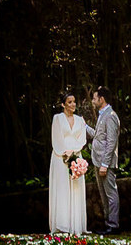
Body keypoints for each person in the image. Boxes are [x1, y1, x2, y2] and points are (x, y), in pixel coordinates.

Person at [49, 91, 88, 235]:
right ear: (63, 104)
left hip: (76, 155)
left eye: (74, 101)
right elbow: (56, 138)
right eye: (70, 102)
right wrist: (64, 152)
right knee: (62, 189)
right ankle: (62, 224)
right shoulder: (57, 118)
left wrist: (74, 151)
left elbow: (82, 139)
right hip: (60, 157)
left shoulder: (79, 120)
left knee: (76, 189)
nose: (73, 104)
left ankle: (76, 225)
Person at [86, 86, 120, 234]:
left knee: (111, 194)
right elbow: (98, 136)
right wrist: (84, 126)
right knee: (104, 195)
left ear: (102, 99)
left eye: (94, 98)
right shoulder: (102, 114)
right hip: (98, 162)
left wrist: (105, 164)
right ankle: (108, 224)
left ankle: (113, 225)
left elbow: (111, 142)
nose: (93, 101)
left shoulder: (111, 115)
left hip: (105, 163)